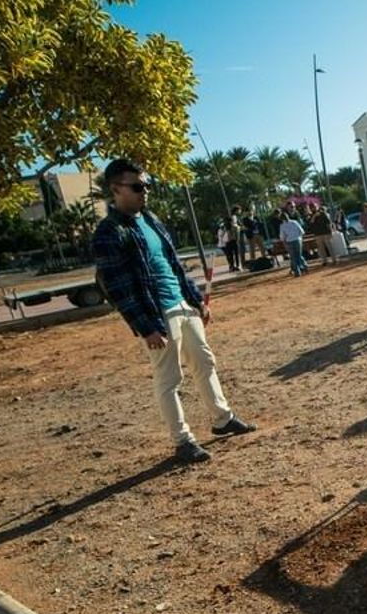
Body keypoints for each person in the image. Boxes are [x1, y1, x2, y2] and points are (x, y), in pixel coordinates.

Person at [91, 159, 256, 465]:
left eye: (147, 185)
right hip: (157, 315)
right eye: (137, 187)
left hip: (181, 305)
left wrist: (194, 300)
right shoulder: (108, 231)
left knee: (205, 362)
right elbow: (116, 287)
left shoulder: (151, 220)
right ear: (115, 189)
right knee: (169, 378)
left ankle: (223, 419)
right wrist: (145, 326)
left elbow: (174, 266)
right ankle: (183, 441)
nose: (145, 192)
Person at [279, 211, 308, 276]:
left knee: (293, 257)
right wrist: (299, 238)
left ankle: (297, 271)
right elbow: (302, 231)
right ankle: (305, 266)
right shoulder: (294, 222)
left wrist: (284, 243)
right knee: (299, 255)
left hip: (289, 241)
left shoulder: (282, 226)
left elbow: (282, 237)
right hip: (297, 240)